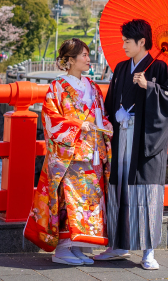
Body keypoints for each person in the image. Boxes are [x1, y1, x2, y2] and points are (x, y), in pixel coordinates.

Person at [94, 19, 168, 270]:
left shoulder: (159, 69)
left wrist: (149, 86)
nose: (123, 46)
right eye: (122, 41)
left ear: (142, 42)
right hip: (122, 137)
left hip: (145, 143)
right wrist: (116, 115)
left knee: (145, 193)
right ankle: (117, 245)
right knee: (120, 188)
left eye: (127, 41)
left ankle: (148, 252)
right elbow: (110, 101)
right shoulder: (121, 68)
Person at [24, 38, 113, 265]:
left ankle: (77, 245)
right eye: (83, 55)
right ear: (70, 60)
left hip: (92, 150)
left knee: (88, 202)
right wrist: (76, 124)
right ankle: (62, 249)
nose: (88, 59)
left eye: (87, 54)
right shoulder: (57, 87)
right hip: (70, 153)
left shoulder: (92, 87)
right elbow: (51, 120)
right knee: (67, 200)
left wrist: (106, 125)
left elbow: (100, 114)